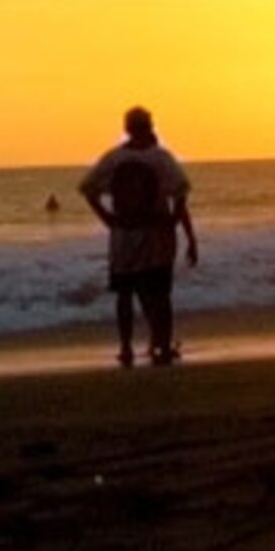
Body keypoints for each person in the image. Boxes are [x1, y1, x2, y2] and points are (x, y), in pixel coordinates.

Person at [76, 106, 198, 367]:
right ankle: (161, 345)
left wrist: (108, 219)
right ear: (150, 126)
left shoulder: (114, 158)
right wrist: (174, 222)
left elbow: (88, 189)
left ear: (126, 128)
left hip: (124, 237)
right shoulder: (160, 158)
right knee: (159, 294)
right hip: (154, 237)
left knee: (125, 293)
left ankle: (126, 347)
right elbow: (181, 190)